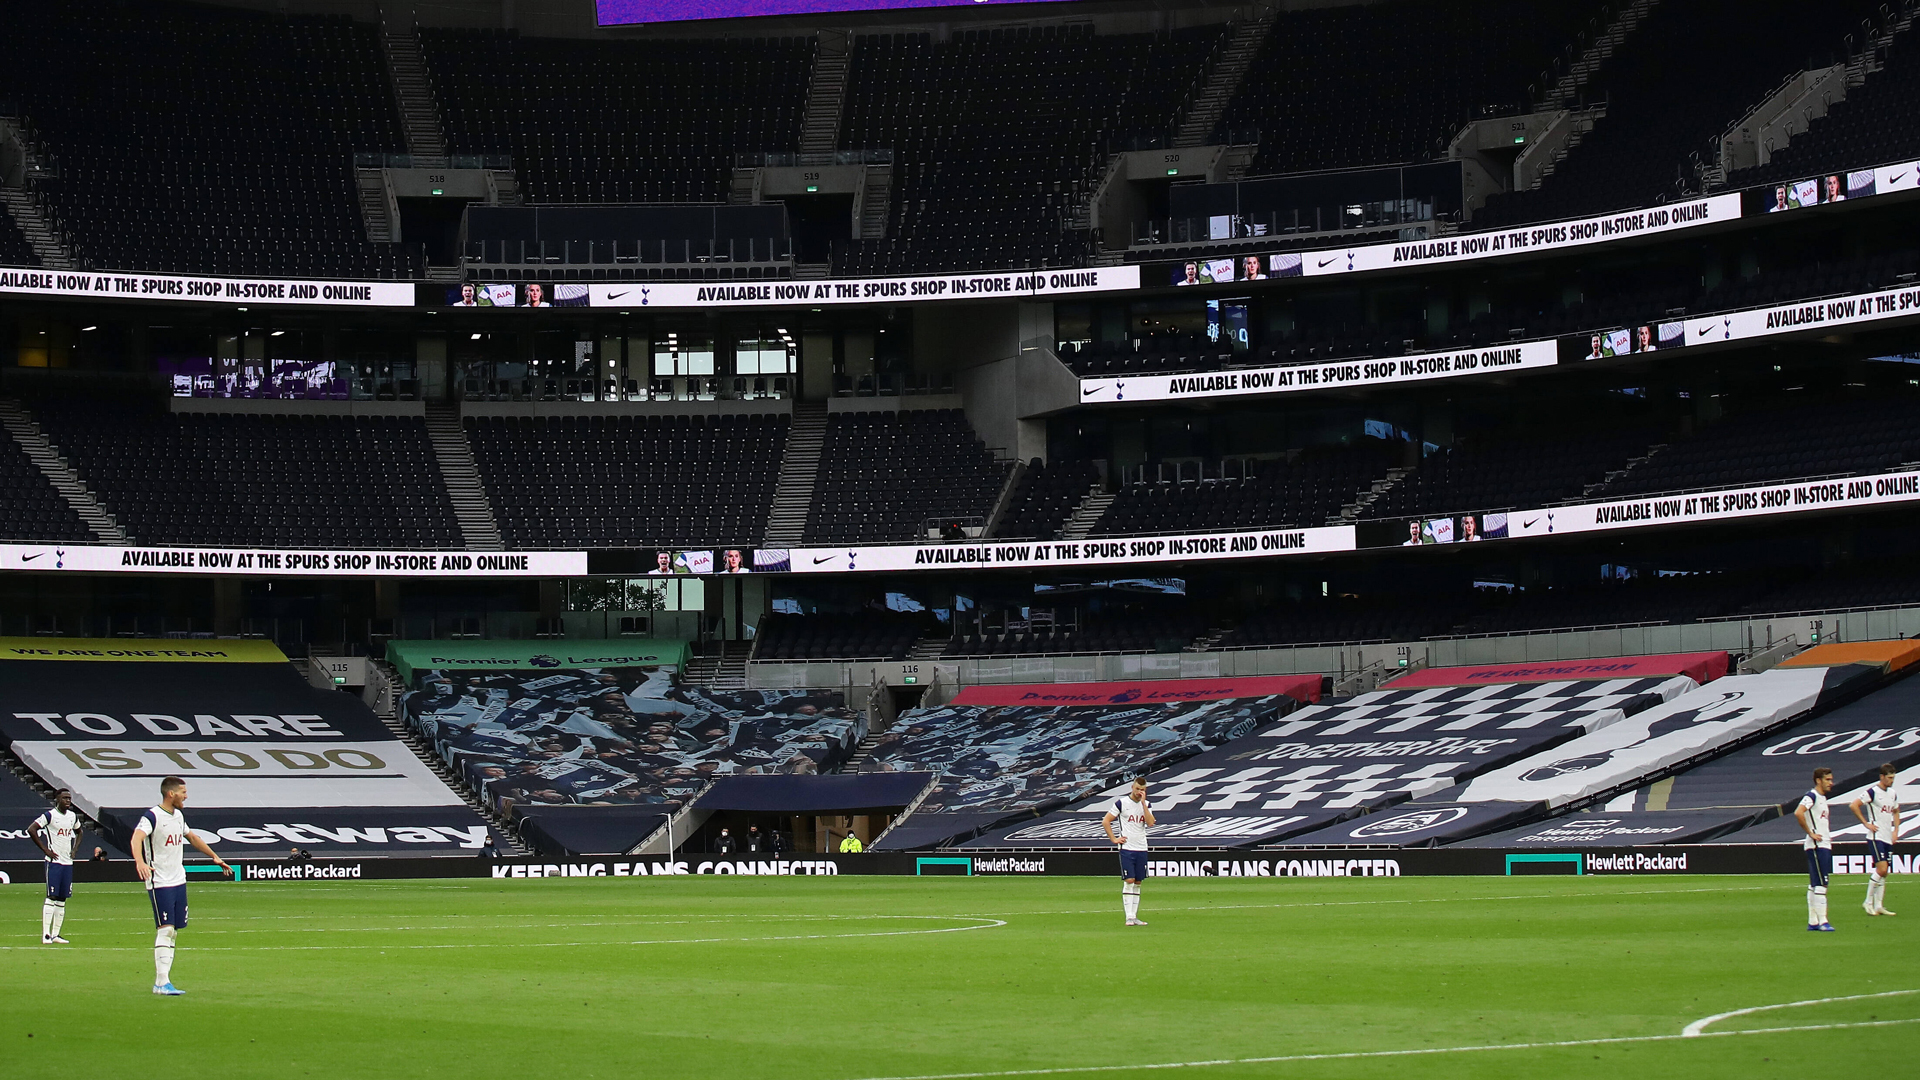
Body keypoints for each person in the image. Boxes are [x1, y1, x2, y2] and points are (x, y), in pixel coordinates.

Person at [131, 776, 232, 995]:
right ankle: (161, 982)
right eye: (183, 792)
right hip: (160, 881)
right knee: (165, 929)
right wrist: (140, 862)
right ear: (171, 793)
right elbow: (136, 838)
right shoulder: (152, 816)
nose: (186, 796)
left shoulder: (178, 816)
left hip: (178, 880)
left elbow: (192, 837)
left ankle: (165, 982)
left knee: (173, 932)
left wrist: (215, 857)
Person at [29, 788, 81, 944]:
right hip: (54, 863)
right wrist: (46, 850)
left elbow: (80, 832)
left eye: (69, 798)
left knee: (62, 899)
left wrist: (75, 849)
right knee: (51, 897)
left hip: (67, 862)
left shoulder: (72, 816)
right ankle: (46, 935)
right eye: (65, 798)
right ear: (57, 799)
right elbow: (32, 829)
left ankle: (56, 935)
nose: (68, 801)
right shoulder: (50, 815)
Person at [1102, 777, 1154, 926]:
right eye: (1137, 789)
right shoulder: (1122, 803)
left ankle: (1134, 916)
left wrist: (1143, 804)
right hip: (1127, 847)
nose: (1139, 792)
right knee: (1129, 880)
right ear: (1132, 787)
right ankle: (1129, 916)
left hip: (1142, 847)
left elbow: (1150, 823)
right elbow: (1106, 820)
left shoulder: (1147, 805)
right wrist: (1114, 839)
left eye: (1142, 790)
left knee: (1138, 881)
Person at [1851, 763, 1900, 916]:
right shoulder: (1872, 792)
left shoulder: (1892, 793)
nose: (1892, 781)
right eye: (1889, 778)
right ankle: (1868, 902)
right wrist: (1866, 823)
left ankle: (1879, 905)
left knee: (1885, 873)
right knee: (1882, 869)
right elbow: (1854, 805)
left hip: (1887, 836)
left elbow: (1896, 811)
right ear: (1882, 777)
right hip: (1875, 836)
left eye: (1893, 778)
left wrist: (1896, 830)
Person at [1794, 767, 1837, 931]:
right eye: (1827, 780)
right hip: (1818, 846)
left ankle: (1813, 921)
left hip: (1821, 844)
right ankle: (1823, 921)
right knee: (1821, 884)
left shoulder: (1821, 798)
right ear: (1818, 780)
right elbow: (1799, 812)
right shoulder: (1812, 796)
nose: (1830, 783)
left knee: (1814, 884)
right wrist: (1811, 833)